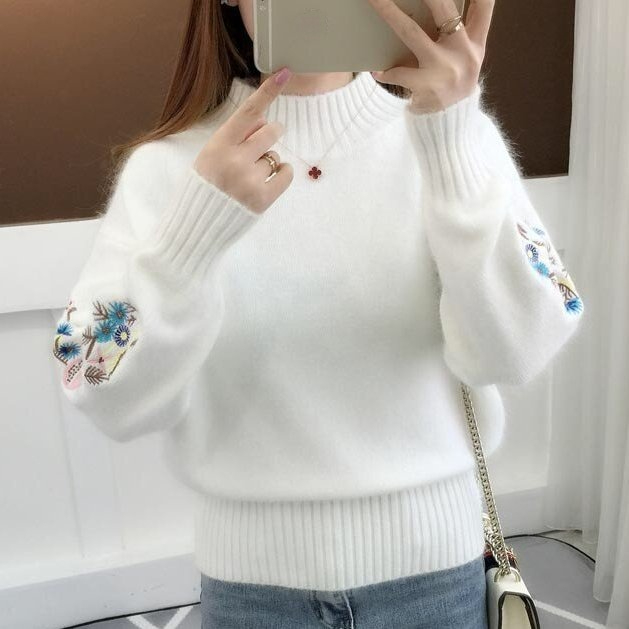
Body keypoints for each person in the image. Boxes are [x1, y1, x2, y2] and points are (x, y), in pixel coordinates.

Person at [51, 0, 584, 627]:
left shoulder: (450, 134)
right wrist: (192, 235)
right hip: (253, 591)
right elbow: (100, 389)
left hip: (436, 573)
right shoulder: (170, 169)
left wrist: (453, 137)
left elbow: (519, 348)